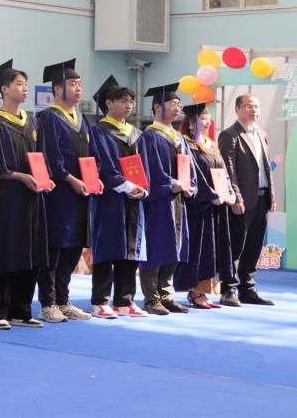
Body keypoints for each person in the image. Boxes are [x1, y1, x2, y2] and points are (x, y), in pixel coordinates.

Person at [0, 62, 50, 329]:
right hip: (7, 198)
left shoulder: (32, 121)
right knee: (6, 250)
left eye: (26, 85)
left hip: (32, 197)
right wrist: (20, 176)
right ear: (4, 89)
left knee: (31, 250)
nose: (24, 89)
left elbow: (40, 158)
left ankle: (22, 309)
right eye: (19, 84)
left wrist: (44, 178)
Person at [35, 59, 95, 322]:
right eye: (73, 84)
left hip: (81, 192)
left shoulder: (81, 119)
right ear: (58, 89)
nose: (78, 88)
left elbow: (90, 156)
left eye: (80, 84)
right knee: (56, 247)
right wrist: (70, 179)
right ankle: (48, 303)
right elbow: (51, 157)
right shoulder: (49, 117)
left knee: (74, 246)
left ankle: (63, 299)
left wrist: (94, 179)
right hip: (59, 193)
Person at [87, 78, 148, 319]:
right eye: (123, 101)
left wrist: (144, 188)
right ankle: (100, 301)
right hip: (110, 199)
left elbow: (145, 167)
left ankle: (125, 300)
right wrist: (127, 186)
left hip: (134, 198)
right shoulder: (99, 131)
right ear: (109, 103)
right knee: (108, 247)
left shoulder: (135, 134)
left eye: (131, 101)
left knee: (131, 248)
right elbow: (103, 166)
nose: (128, 105)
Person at [137, 84, 196, 315]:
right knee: (156, 246)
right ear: (157, 106)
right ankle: (151, 298)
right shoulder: (149, 136)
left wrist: (190, 184)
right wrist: (172, 184)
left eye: (179, 105)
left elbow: (188, 167)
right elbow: (150, 170)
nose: (177, 108)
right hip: (158, 201)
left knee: (175, 245)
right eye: (172, 104)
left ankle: (166, 294)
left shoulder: (179, 137)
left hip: (178, 200)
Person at [218, 93, 278, 306]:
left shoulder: (261, 133)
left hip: (261, 198)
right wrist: (236, 197)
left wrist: (271, 195)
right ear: (237, 110)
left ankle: (248, 289)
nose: (254, 110)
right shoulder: (229, 134)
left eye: (256, 106)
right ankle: (228, 289)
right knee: (236, 246)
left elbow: (266, 168)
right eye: (249, 106)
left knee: (254, 246)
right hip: (241, 201)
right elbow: (228, 170)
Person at [176, 102, 235, 309]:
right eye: (202, 118)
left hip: (217, 205)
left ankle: (205, 290)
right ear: (191, 123)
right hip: (197, 206)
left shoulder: (211, 144)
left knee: (214, 249)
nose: (207, 122)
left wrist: (229, 191)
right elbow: (193, 174)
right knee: (199, 250)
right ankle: (194, 291)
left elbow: (223, 171)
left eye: (208, 118)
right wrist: (210, 194)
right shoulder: (185, 144)